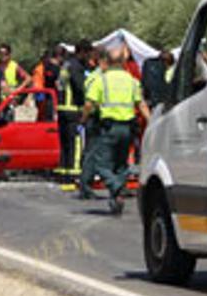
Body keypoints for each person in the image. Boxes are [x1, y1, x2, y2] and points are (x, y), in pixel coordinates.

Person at [80, 48, 150, 214]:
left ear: (108, 62)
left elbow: (89, 104)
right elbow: (141, 104)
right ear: (123, 62)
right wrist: (152, 121)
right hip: (127, 128)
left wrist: (83, 118)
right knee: (121, 164)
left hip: (108, 128)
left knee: (101, 164)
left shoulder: (101, 80)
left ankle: (116, 186)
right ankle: (116, 197)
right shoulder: (131, 81)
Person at [56, 40, 91, 175]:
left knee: (65, 143)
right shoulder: (76, 66)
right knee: (75, 143)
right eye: (88, 54)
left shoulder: (66, 64)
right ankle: (75, 172)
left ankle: (64, 170)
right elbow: (80, 87)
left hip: (62, 108)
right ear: (82, 52)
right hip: (73, 108)